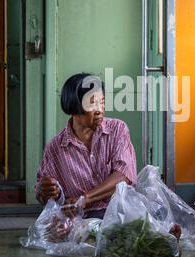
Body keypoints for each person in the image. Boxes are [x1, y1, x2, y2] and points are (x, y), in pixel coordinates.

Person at [35, 73, 137, 219]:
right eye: (92, 104)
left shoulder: (117, 129)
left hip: (120, 212)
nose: (100, 110)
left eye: (102, 102)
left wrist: (84, 199)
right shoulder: (55, 148)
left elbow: (124, 176)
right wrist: (45, 191)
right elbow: (42, 194)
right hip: (80, 220)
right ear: (73, 108)